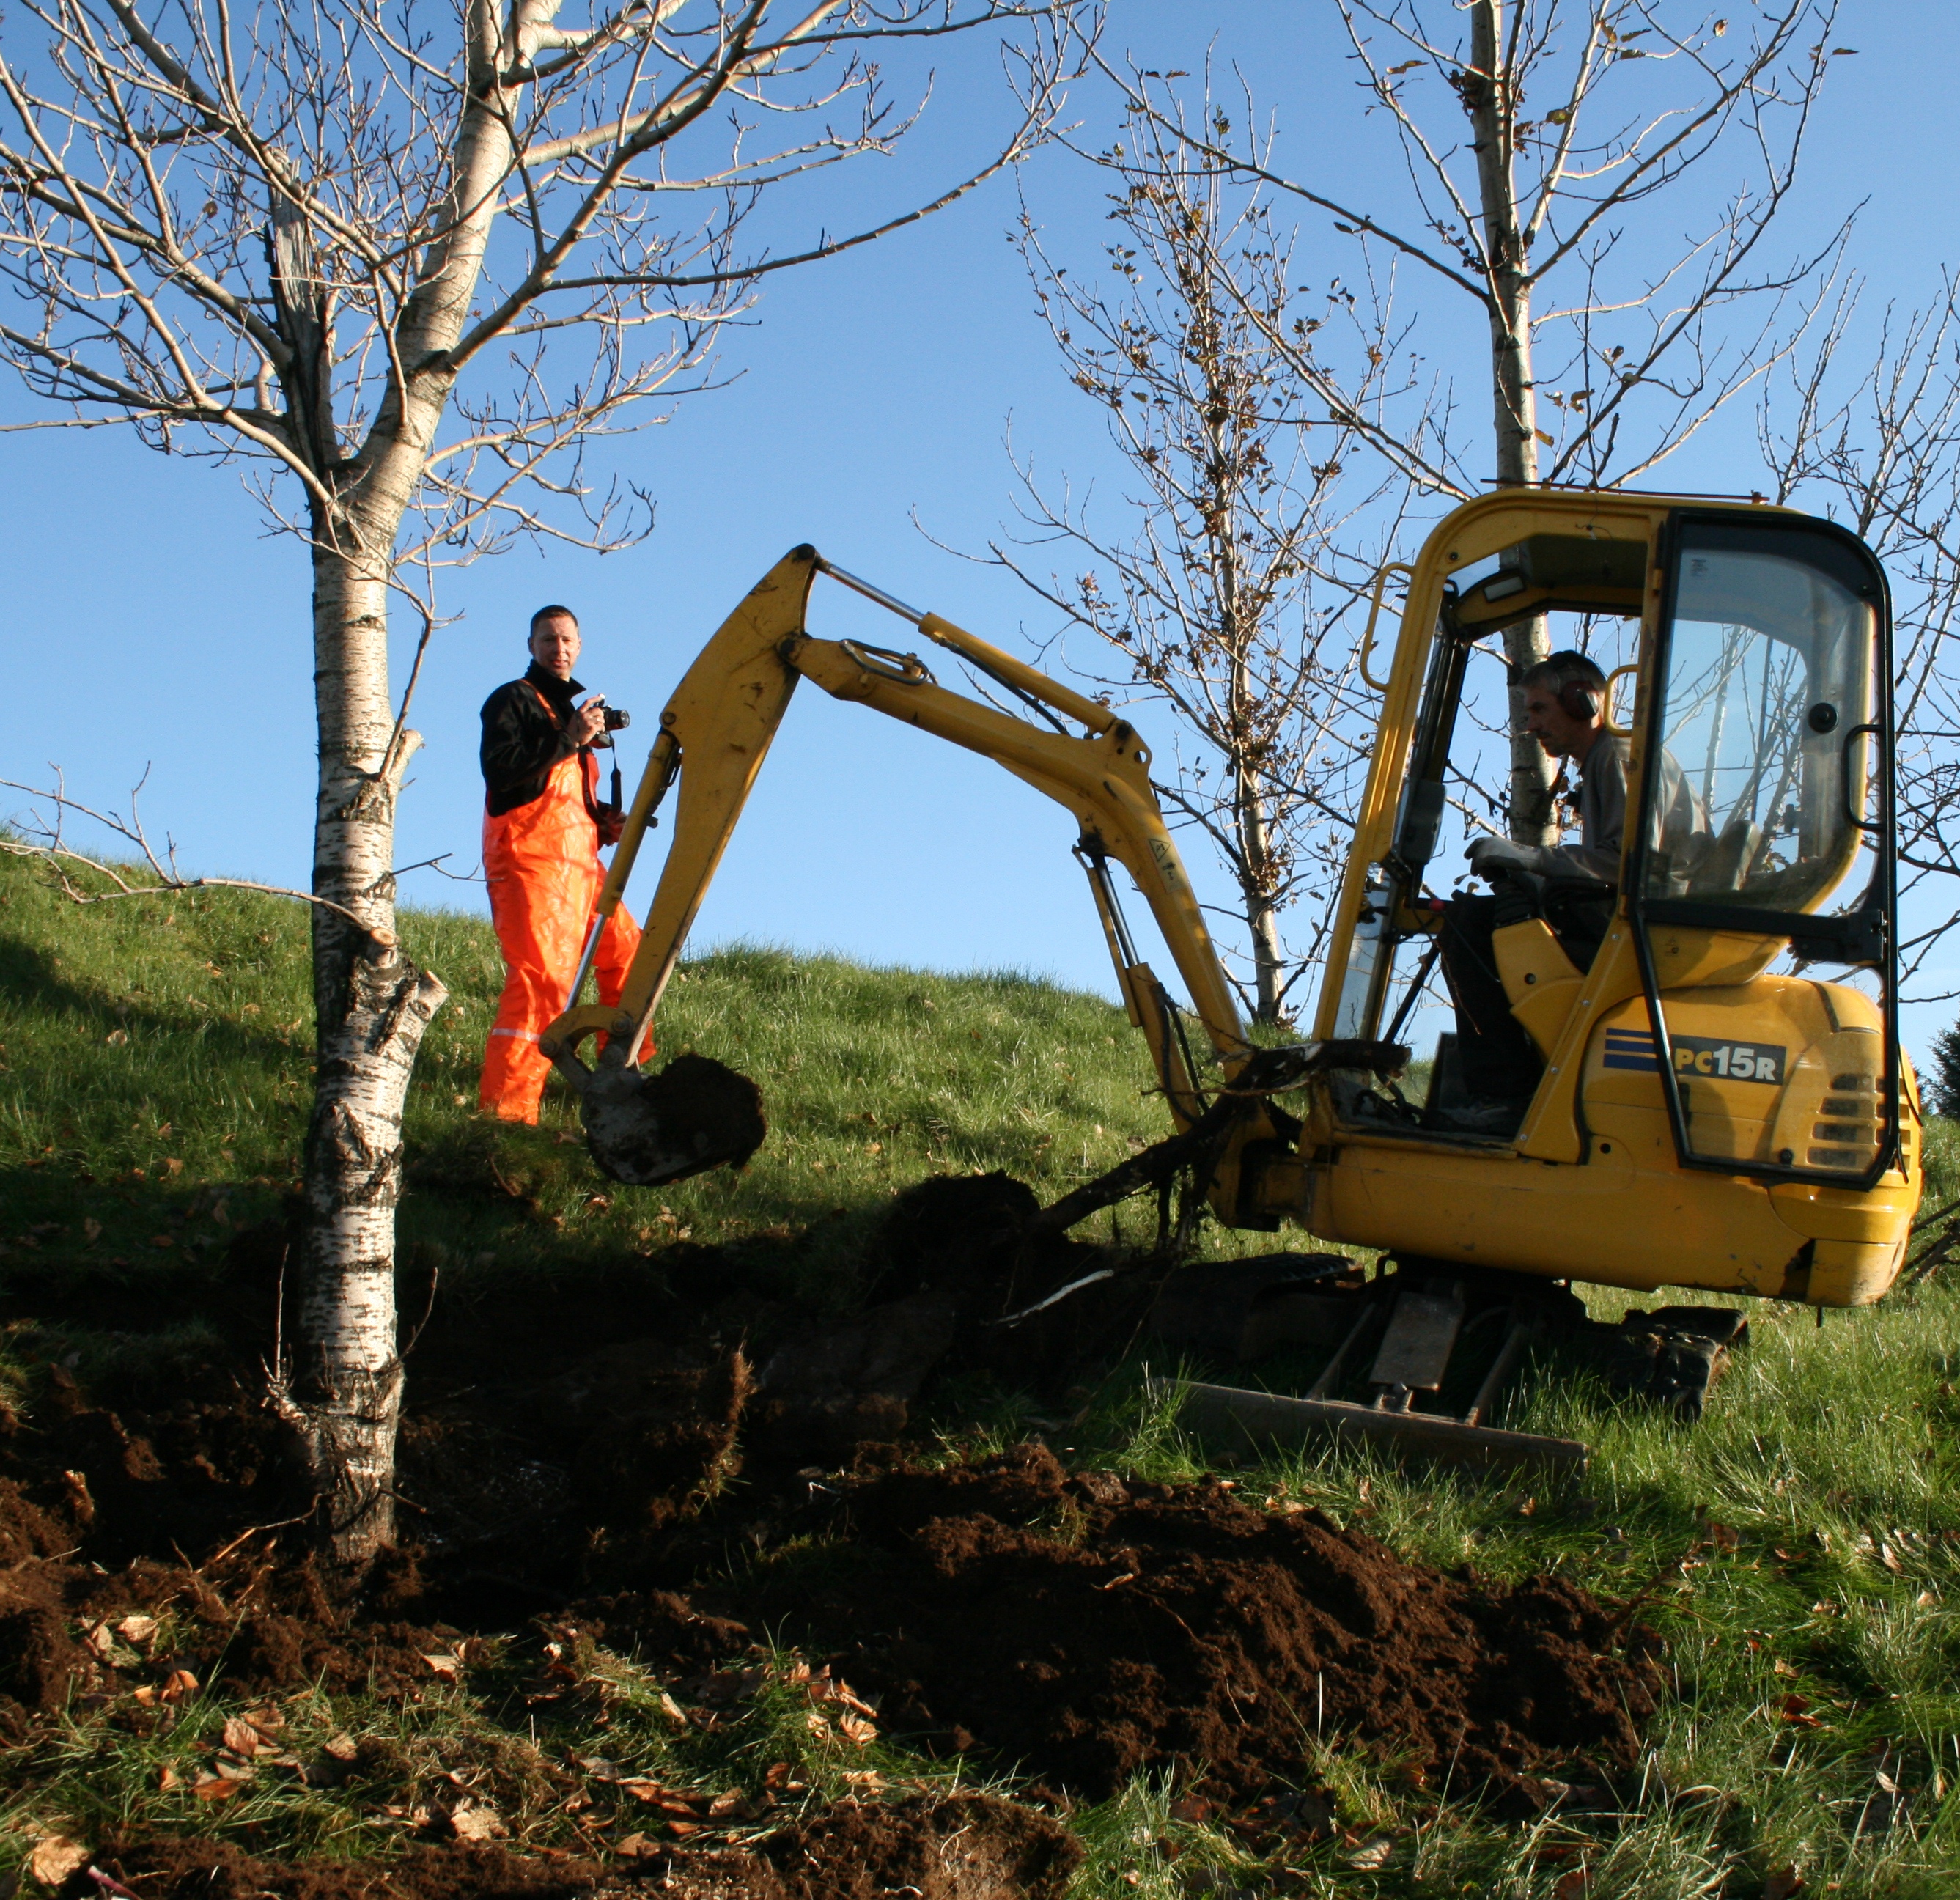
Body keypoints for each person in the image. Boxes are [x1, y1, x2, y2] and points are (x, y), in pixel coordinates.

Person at [1436, 649, 1698, 1124]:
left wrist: (1534, 859)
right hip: (1634, 928)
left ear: (1583, 701)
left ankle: (1506, 1097)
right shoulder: (1605, 760)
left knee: (1470, 926)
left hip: (1647, 938)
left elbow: (1628, 865)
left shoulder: (1619, 757)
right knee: (1487, 921)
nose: (1531, 726)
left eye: (1539, 709)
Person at [478, 605, 644, 1124]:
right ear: (531, 646)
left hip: (581, 866)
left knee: (631, 954)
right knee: (541, 983)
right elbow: (503, 773)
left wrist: (603, 824)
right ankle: (507, 1115)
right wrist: (570, 738)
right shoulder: (514, 700)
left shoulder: (574, 721)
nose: (559, 648)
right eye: (548, 639)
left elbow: (566, 800)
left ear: (580, 644)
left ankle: (624, 1073)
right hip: (530, 862)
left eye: (568, 639)